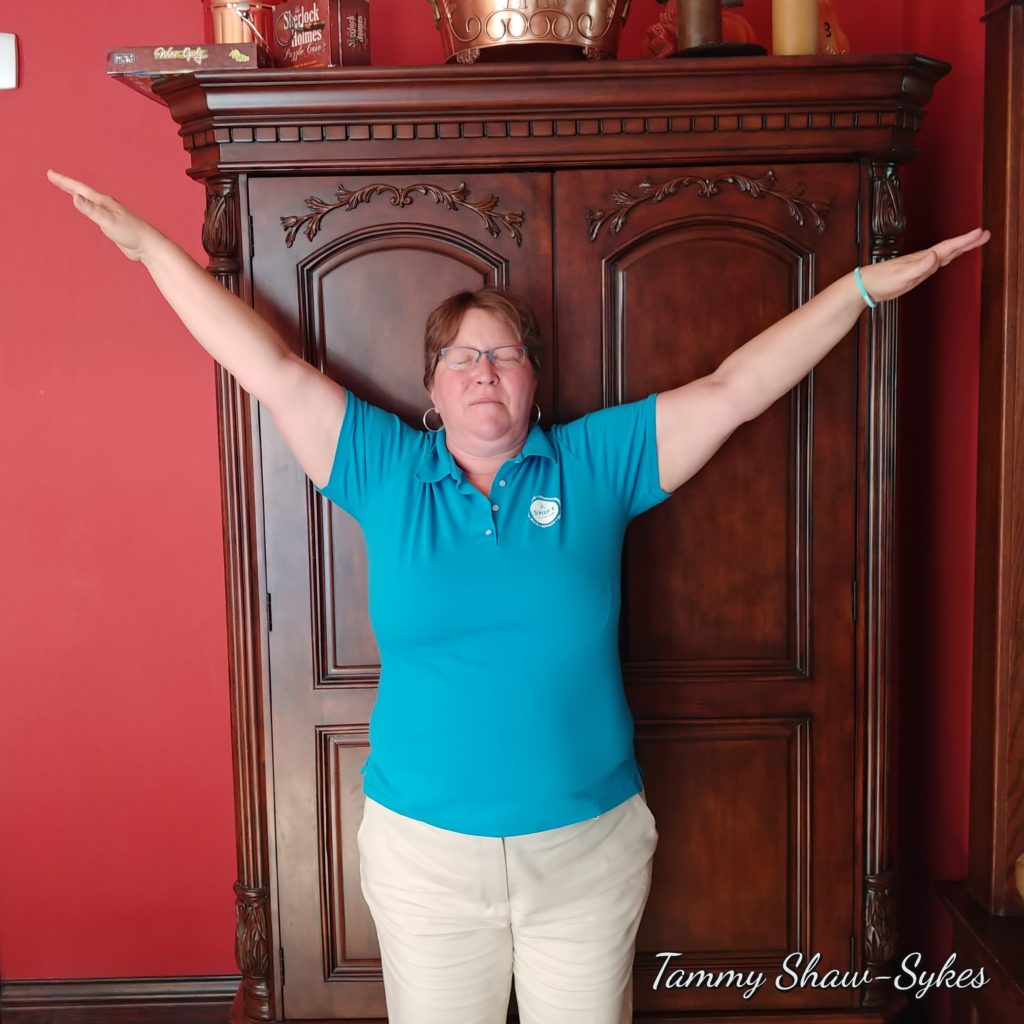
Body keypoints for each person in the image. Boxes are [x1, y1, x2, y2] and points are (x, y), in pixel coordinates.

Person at [47, 169, 989, 1024]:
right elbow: (270, 370)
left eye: (502, 355)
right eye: (460, 357)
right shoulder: (383, 467)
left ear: (535, 380)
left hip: (586, 855)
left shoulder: (596, 462)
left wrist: (860, 290)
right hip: (425, 861)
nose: (483, 372)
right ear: (431, 388)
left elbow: (736, 387)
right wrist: (151, 251)